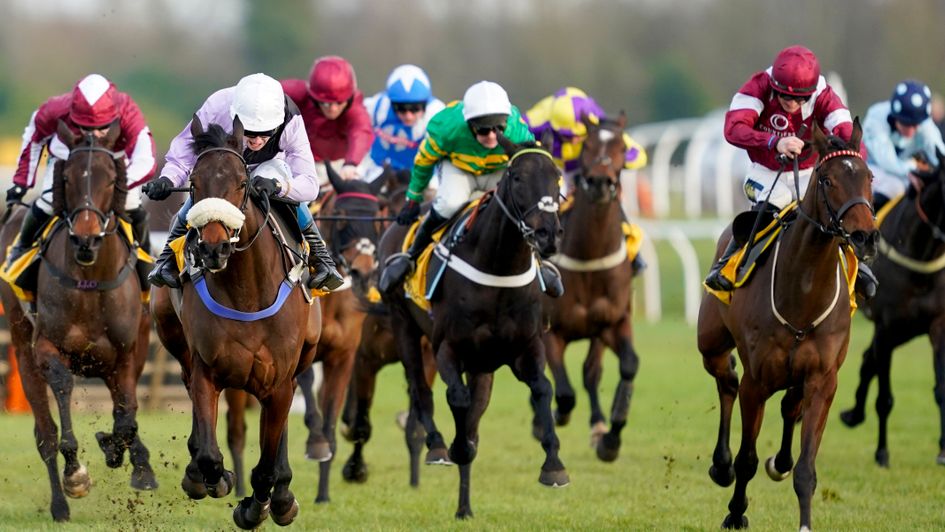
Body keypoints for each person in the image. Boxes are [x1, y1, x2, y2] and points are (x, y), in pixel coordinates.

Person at [703, 45, 876, 297]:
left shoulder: (824, 94)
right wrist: (774, 142)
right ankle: (728, 264)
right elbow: (733, 128)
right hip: (764, 171)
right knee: (779, 201)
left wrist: (853, 161)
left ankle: (859, 265)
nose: (793, 103)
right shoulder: (758, 87)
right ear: (775, 86)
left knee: (835, 209)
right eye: (785, 97)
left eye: (801, 99)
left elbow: (847, 133)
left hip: (809, 173)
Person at [144, 73, 343, 291]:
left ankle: (321, 258)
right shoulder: (216, 107)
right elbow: (182, 155)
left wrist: (280, 187)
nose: (257, 141)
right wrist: (167, 179)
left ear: (277, 124)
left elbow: (309, 184)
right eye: (250, 132)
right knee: (204, 188)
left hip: (269, 168)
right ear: (235, 116)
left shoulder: (291, 120)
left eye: (266, 134)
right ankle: (166, 260)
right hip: (222, 166)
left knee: (283, 183)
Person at [378, 80, 561, 295]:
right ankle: (411, 256)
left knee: (515, 206)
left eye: (499, 129)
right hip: (459, 169)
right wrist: (413, 198)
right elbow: (424, 161)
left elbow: (532, 164)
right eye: (483, 130)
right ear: (469, 124)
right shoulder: (447, 127)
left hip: (497, 170)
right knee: (448, 204)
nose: (492, 136)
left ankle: (539, 263)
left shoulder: (517, 128)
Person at [5, 73, 157, 264]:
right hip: (67, 158)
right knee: (47, 202)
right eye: (84, 127)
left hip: (112, 163)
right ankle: (20, 250)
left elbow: (146, 159)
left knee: (131, 204)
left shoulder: (127, 109)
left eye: (101, 127)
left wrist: (117, 184)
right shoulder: (54, 109)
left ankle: (148, 261)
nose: (92, 134)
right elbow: (33, 138)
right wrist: (22, 183)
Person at [525, 86, 649, 274]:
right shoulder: (535, 120)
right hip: (552, 164)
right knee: (549, 198)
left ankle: (633, 254)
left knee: (611, 196)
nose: (573, 140)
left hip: (583, 167)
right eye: (566, 136)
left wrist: (615, 163)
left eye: (577, 135)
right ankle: (534, 248)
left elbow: (638, 154)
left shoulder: (596, 118)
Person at [281, 55, 374, 186]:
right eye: (325, 103)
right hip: (301, 164)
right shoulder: (298, 93)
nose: (333, 109)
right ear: (313, 96)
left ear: (350, 97)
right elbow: (266, 92)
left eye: (339, 102)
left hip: (343, 168)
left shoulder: (355, 109)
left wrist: (351, 163)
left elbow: (361, 132)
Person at [863, 79, 945, 212]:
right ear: (895, 117)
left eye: (916, 125)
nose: (912, 130)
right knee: (895, 186)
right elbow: (887, 162)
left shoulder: (925, 125)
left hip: (901, 170)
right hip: (869, 168)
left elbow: (940, 154)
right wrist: (912, 168)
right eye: (906, 124)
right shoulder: (876, 118)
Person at [360, 64, 445, 184]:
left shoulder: (437, 115)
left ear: (426, 103)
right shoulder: (377, 106)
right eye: (400, 108)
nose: (408, 116)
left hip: (421, 174)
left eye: (415, 108)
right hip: (379, 169)